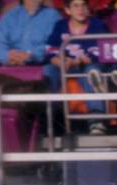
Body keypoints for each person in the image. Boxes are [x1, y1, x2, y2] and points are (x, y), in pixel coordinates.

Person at [44, 0, 110, 135]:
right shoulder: (60, 25)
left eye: (83, 5)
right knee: (49, 70)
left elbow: (99, 51)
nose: (80, 9)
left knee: (91, 72)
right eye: (76, 5)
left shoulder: (97, 25)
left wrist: (76, 62)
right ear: (68, 10)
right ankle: (51, 119)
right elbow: (50, 48)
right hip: (65, 64)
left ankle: (96, 120)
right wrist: (58, 60)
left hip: (88, 64)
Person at [0, 0, 61, 66]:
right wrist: (7, 56)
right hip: (12, 66)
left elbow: (54, 45)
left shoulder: (53, 16)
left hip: (41, 67)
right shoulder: (10, 16)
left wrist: (30, 55)